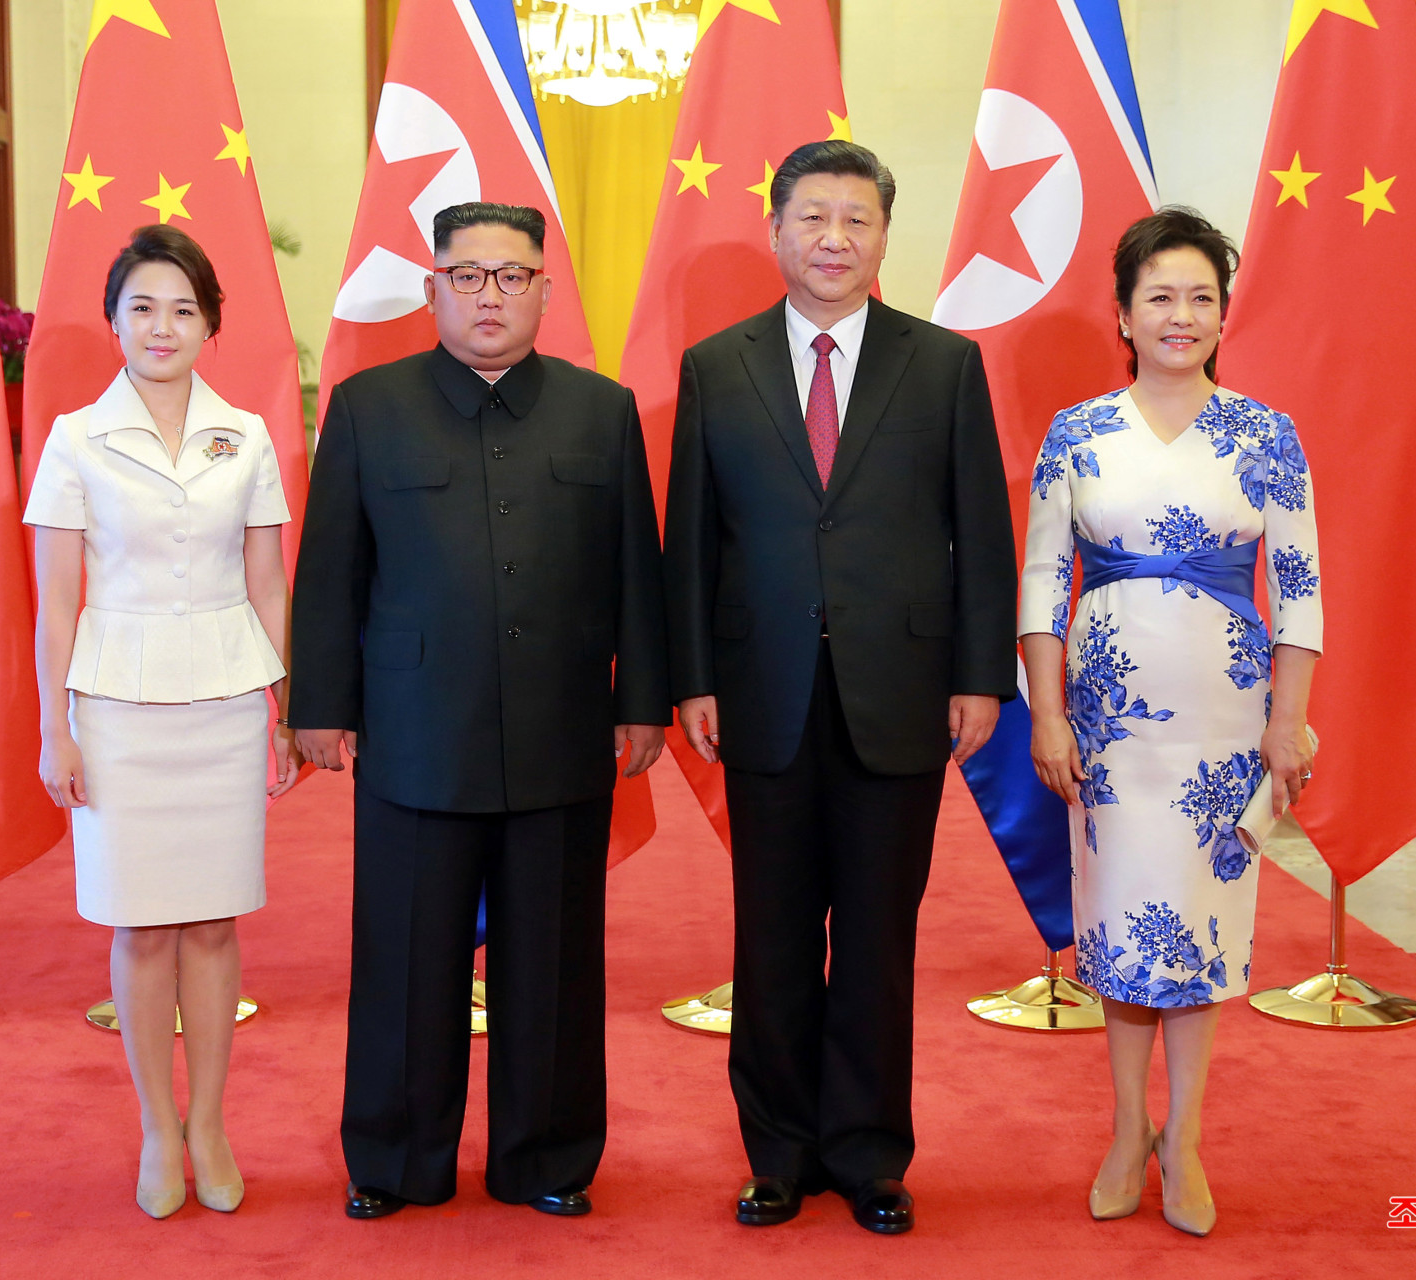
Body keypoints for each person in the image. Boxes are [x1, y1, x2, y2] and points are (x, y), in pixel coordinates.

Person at [664, 140, 1017, 1235]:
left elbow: (981, 532)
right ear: (776, 230)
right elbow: (693, 541)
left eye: (855, 220)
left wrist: (978, 674)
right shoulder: (717, 366)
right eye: (812, 217)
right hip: (761, 687)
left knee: (876, 933)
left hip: (900, 690)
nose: (832, 238)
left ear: (881, 237)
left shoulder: (944, 363)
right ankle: (776, 1149)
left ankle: (868, 1151)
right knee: (768, 934)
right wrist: (691, 676)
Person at [289, 202, 668, 1221]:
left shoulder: (602, 410)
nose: (491, 295)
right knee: (406, 955)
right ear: (434, 289)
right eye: (470, 276)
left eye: (513, 276)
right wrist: (319, 704)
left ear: (545, 289)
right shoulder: (371, 407)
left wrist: (643, 704)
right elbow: (331, 570)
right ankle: (394, 1158)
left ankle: (543, 1157)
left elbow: (639, 571)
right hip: (416, 731)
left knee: (552, 960)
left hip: (562, 730)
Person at [1021, 207, 1322, 1237]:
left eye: (1201, 297)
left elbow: (1301, 585)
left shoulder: (1265, 432)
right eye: (1160, 296)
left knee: (1196, 929)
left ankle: (1184, 1136)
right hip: (1106, 726)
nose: (1180, 315)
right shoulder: (1078, 431)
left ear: (1224, 314)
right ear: (1123, 312)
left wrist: (1290, 721)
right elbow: (1043, 579)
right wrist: (1047, 712)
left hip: (1223, 722)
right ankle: (1123, 1127)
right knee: (1115, 924)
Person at [26, 224, 300, 1219]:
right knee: (143, 930)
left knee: (215, 919)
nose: (162, 325)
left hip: (228, 700)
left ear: (210, 324)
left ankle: (212, 1120)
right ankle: (154, 1123)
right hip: (119, 705)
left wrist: (283, 703)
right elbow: (57, 599)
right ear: (113, 320)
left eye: (183, 308)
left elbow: (268, 576)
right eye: (142, 306)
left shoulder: (250, 434)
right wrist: (57, 726)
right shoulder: (73, 437)